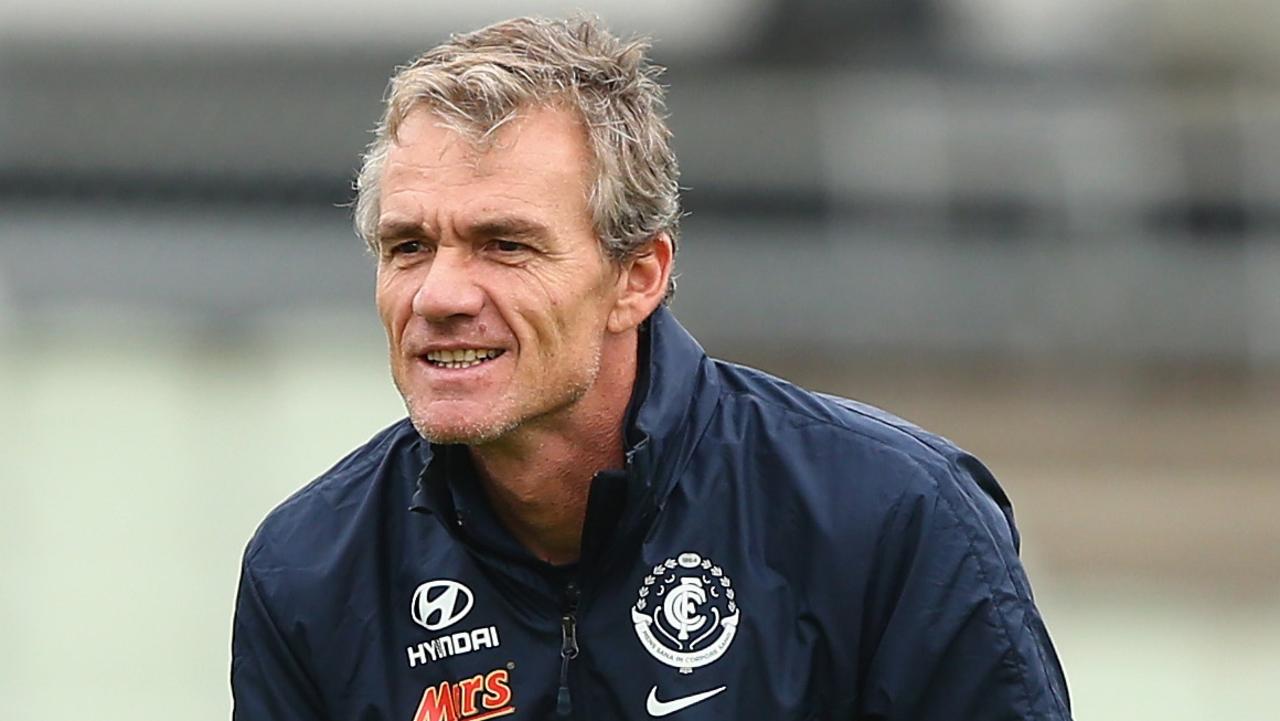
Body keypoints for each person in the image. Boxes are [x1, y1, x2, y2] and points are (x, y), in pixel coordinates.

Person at [231, 15, 1072, 721]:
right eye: (408, 246)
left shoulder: (892, 516)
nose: (440, 294)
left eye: (506, 245)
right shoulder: (310, 570)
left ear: (637, 278)